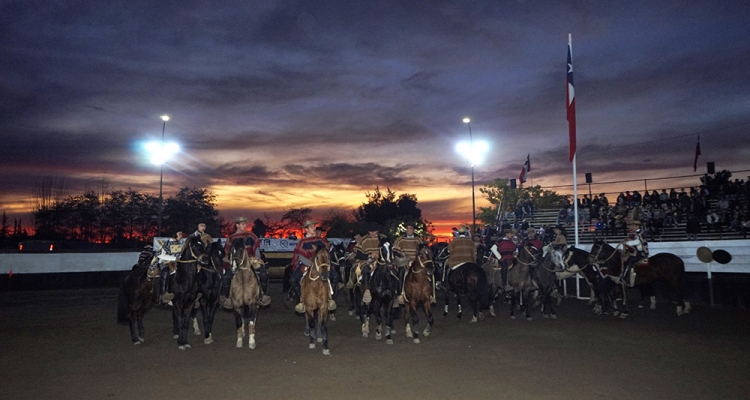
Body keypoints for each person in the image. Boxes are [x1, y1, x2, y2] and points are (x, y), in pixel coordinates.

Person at [222, 216, 271, 309]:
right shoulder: (231, 238)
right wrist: (230, 261)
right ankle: (229, 297)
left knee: (263, 274)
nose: (245, 226)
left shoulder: (251, 236)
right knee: (226, 277)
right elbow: (227, 252)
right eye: (243, 224)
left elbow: (256, 249)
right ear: (237, 225)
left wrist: (256, 259)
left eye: (245, 224)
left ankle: (263, 295)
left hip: (250, 260)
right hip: (236, 261)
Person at [290, 220, 335, 313]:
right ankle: (301, 300)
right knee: (293, 279)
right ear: (306, 229)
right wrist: (310, 263)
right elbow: (300, 256)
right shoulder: (302, 242)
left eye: (314, 226)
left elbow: (327, 252)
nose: (314, 228)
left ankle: (330, 299)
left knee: (335, 276)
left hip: (321, 264)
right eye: (311, 227)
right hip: (306, 264)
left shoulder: (321, 240)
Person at [393, 221, 433, 304]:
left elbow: (423, 251)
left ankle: (430, 294)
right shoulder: (400, 239)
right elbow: (395, 250)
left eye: (410, 228)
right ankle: (400, 294)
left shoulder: (418, 240)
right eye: (407, 228)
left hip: (417, 262)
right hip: (404, 261)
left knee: (429, 274)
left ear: (414, 230)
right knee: (401, 273)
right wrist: (402, 256)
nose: (408, 230)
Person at [352, 223, 388, 305]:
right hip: (366, 261)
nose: (372, 233)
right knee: (365, 270)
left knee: (392, 271)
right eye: (371, 231)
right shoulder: (363, 239)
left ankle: (395, 292)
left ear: (377, 231)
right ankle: (366, 290)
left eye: (374, 231)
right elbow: (358, 254)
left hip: (381, 261)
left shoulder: (383, 238)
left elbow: (388, 250)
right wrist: (369, 255)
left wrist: (379, 255)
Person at [158, 231, 185, 304]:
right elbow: (159, 254)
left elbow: (180, 254)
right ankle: (163, 294)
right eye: (179, 234)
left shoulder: (180, 243)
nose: (181, 236)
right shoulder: (166, 243)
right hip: (165, 262)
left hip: (177, 262)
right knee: (166, 272)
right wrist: (174, 258)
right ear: (174, 235)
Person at [621, 221, 649, 286]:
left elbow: (637, 242)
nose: (632, 227)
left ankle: (626, 279)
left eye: (633, 226)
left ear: (637, 226)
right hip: (638, 252)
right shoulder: (637, 233)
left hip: (641, 253)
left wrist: (627, 243)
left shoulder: (640, 234)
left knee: (629, 262)